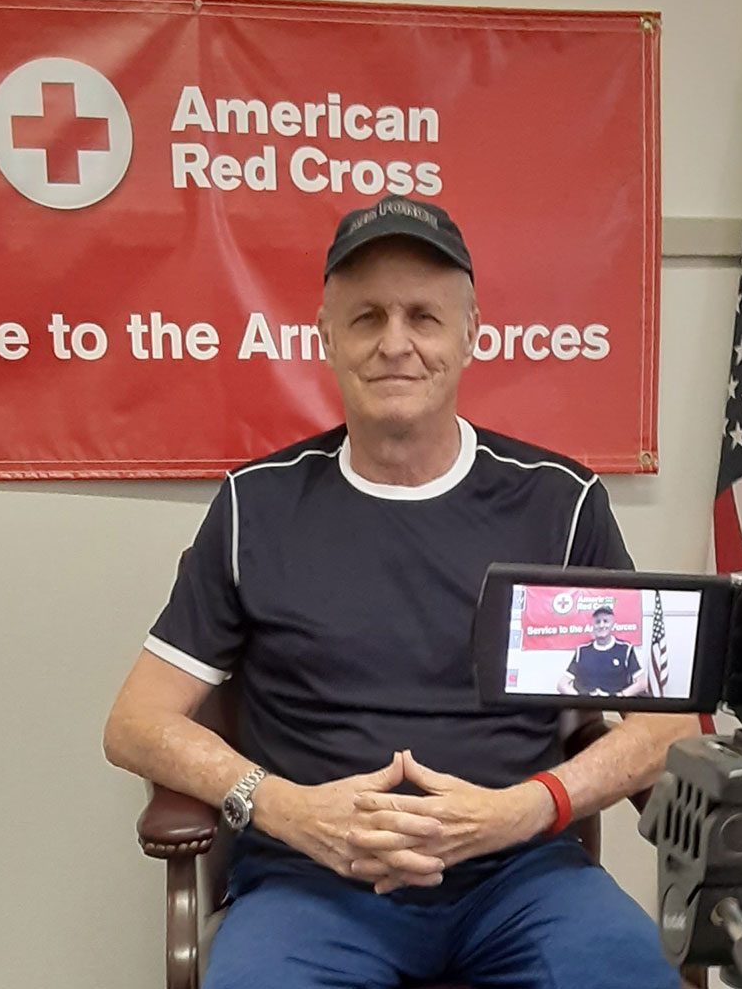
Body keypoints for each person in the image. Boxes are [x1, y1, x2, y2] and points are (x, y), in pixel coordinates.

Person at [104, 194, 697, 989]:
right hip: (310, 885)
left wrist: (523, 808)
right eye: (366, 317)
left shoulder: (558, 504)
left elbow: (669, 725)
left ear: (470, 334)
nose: (396, 344)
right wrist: (282, 806)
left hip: (522, 879)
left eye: (423, 316)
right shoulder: (258, 505)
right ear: (326, 336)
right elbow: (136, 722)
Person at [557, 605, 651, 697]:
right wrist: (580, 699)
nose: (601, 625)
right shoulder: (582, 651)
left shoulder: (626, 650)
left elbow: (642, 683)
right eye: (597, 622)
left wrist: (618, 696)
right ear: (593, 625)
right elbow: (561, 685)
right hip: (586, 708)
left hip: (615, 707)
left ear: (612, 624)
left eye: (605, 621)